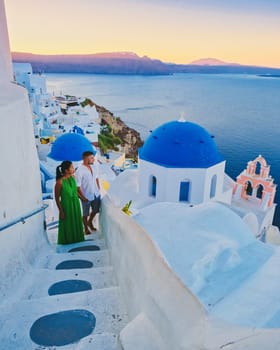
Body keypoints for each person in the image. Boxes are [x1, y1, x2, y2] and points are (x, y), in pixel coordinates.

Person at [54, 160, 84, 244]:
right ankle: (68, 240)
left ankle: (77, 239)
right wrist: (61, 211)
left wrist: (82, 198)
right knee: (67, 224)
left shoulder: (73, 178)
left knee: (76, 221)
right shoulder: (59, 182)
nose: (73, 169)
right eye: (71, 167)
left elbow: (75, 191)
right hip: (66, 206)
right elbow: (57, 198)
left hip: (76, 205)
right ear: (66, 170)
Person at [75, 151, 101, 235]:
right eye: (92, 158)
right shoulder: (80, 170)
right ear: (86, 159)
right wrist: (82, 197)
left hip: (96, 193)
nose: (93, 159)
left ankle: (90, 222)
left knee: (96, 210)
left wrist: (98, 188)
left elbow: (96, 178)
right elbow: (77, 186)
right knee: (85, 213)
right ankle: (86, 229)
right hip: (86, 195)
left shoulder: (94, 167)